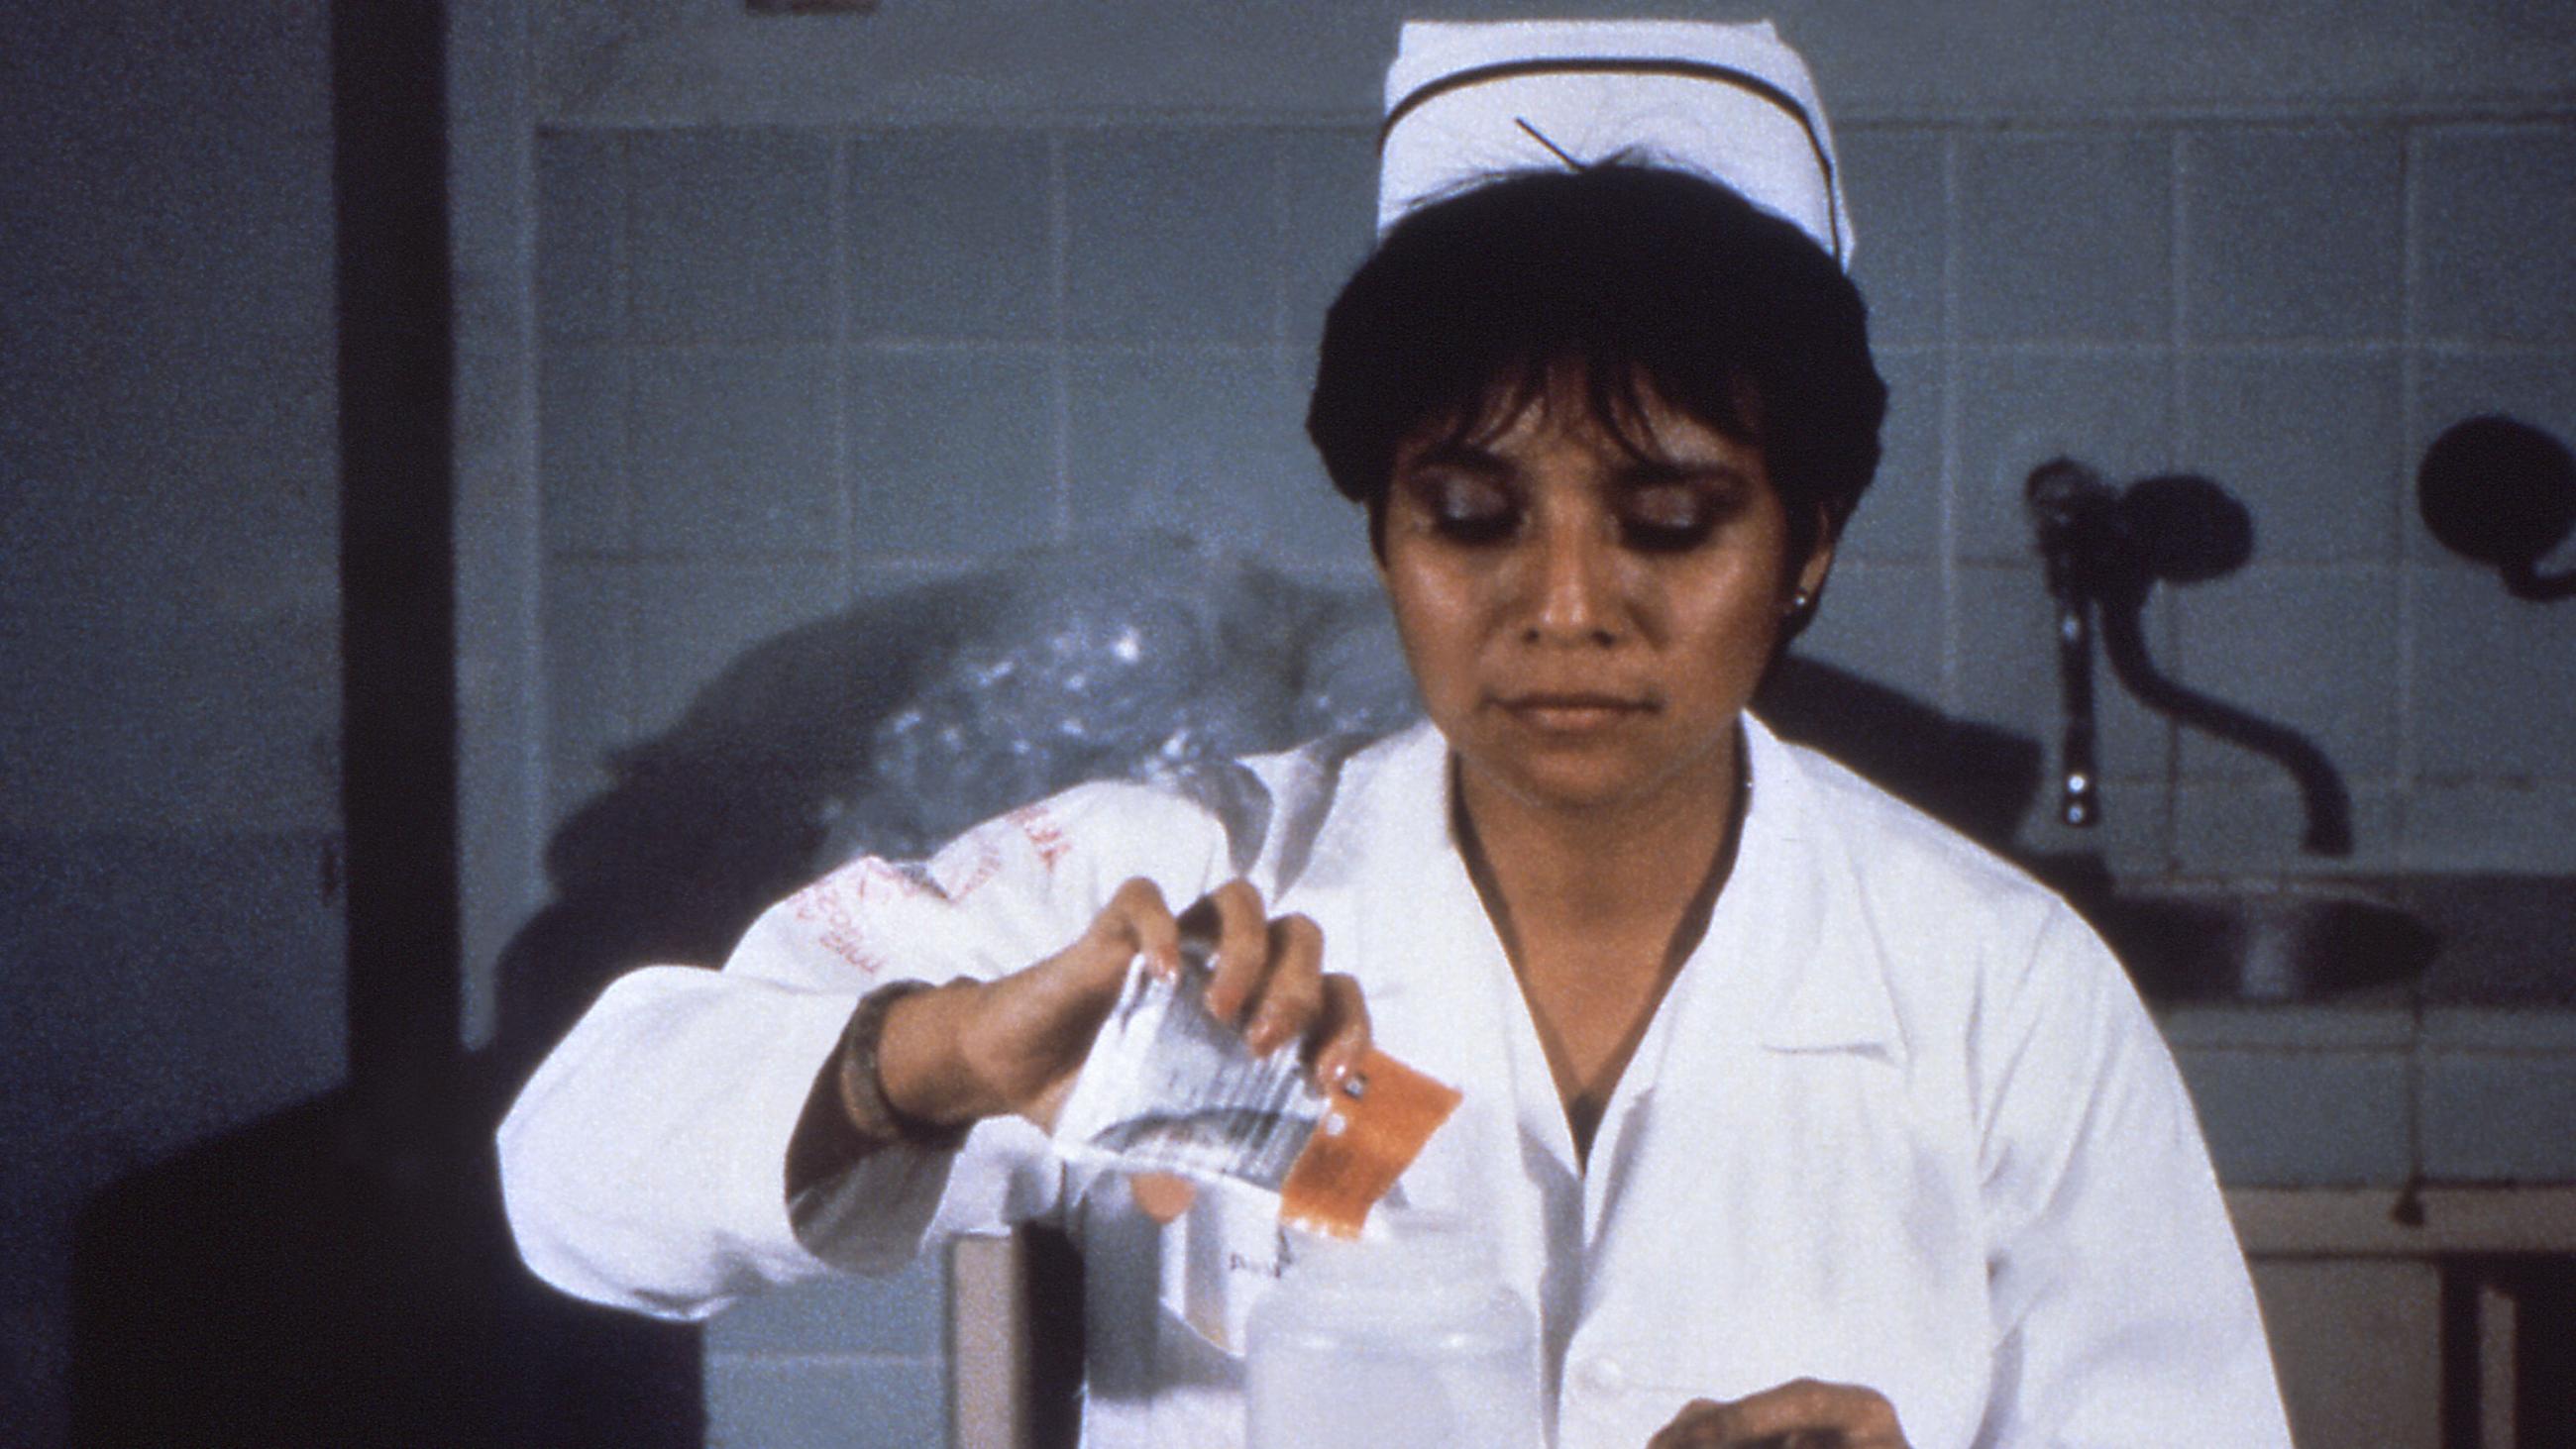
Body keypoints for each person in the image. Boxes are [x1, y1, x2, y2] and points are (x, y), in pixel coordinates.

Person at [499, 20, 2291, 1447]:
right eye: (1472, 512)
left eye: (1670, 518)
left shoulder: (1998, 991)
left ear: (1806, 545)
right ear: (1380, 534)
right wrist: (937, 1058)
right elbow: (574, 1181)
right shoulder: (1171, 875)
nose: (1567, 605)